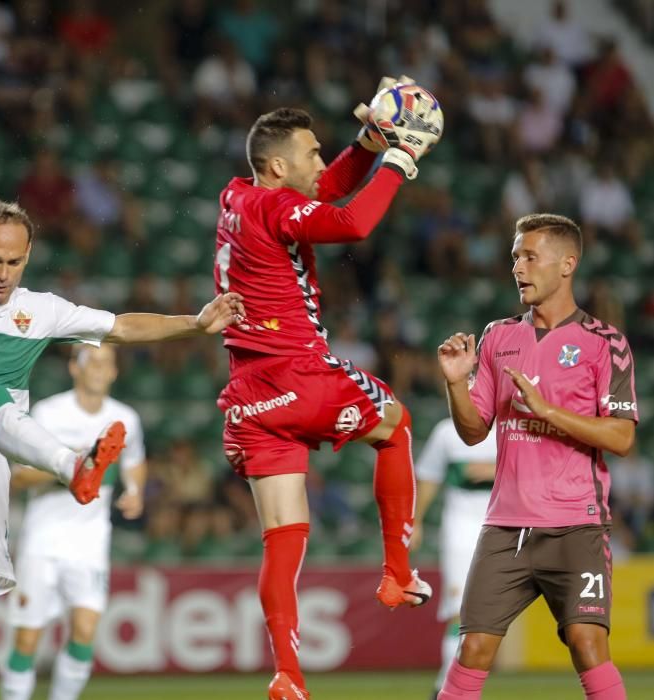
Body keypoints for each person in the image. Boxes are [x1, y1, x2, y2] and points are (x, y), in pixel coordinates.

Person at [0, 185, 243, 700]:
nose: (2, 272)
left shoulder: (42, 312)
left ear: (28, 256)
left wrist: (195, 323)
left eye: (13, 261)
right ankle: (74, 465)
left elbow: (120, 326)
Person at [212, 80, 442, 700]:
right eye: (313, 152)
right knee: (396, 421)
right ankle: (397, 572)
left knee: (283, 536)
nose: (322, 161)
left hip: (249, 399)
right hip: (298, 374)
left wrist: (366, 144)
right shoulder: (275, 207)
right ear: (280, 166)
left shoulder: (240, 196)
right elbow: (351, 221)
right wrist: (399, 158)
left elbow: (327, 189)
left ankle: (288, 672)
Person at [437, 214, 635, 700]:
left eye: (529, 257)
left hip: (576, 525)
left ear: (567, 264)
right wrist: (455, 383)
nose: (518, 268)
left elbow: (622, 436)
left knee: (588, 644)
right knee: (473, 650)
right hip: (505, 527)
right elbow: (472, 430)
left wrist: (549, 411)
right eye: (514, 258)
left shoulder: (604, 343)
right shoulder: (499, 337)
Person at [0, 343, 146, 700]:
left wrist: (135, 490)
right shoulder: (49, 413)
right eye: (91, 361)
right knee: (27, 638)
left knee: (84, 631)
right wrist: (76, 467)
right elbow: (18, 477)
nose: (99, 368)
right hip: (43, 540)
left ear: (114, 372)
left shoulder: (125, 417)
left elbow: (135, 462)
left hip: (90, 542)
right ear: (74, 368)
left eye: (106, 363)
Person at [411, 418, 496, 700]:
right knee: (460, 610)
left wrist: (497, 470)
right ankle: (446, 688)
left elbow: (539, 466)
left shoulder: (511, 426)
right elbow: (428, 474)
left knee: (487, 613)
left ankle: (455, 687)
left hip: (506, 522)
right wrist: (417, 520)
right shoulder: (447, 431)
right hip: (460, 525)